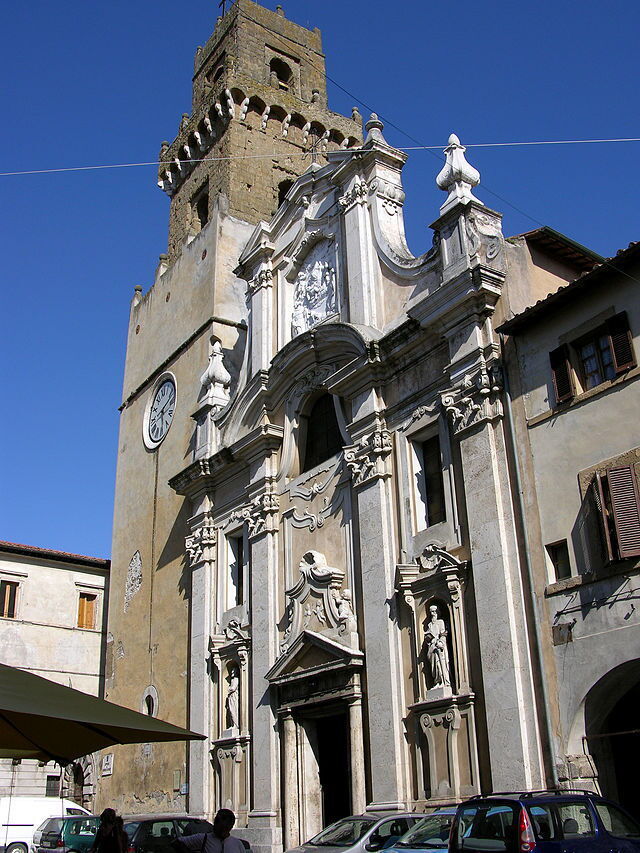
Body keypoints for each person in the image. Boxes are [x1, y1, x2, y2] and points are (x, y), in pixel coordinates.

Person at [174, 810, 246, 853]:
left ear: (230, 826)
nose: (219, 828)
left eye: (223, 827)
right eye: (217, 823)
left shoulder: (237, 844)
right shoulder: (203, 839)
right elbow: (176, 842)